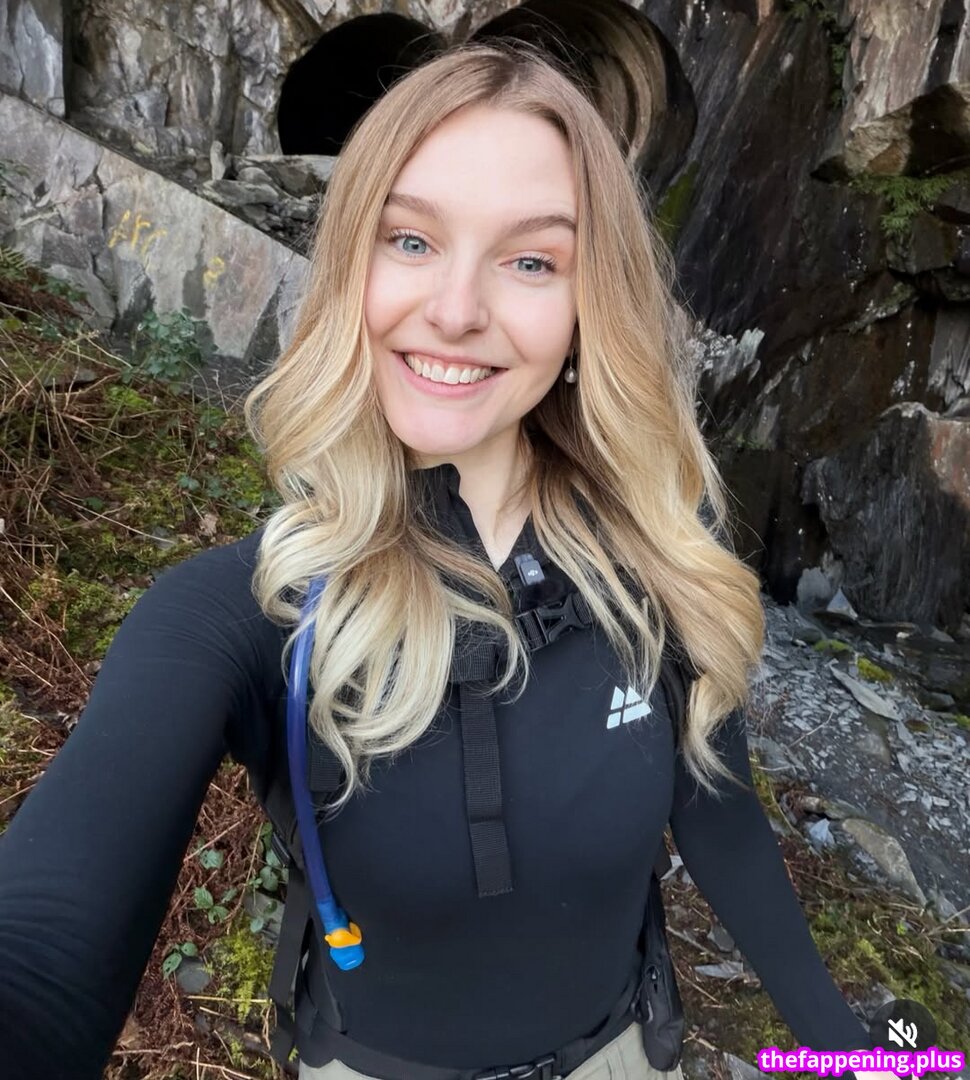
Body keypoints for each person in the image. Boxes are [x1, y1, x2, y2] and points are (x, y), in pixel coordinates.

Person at [0, 40, 889, 1080]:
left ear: (587, 308)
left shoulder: (660, 559)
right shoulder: (244, 616)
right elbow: (47, 947)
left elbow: (719, 810)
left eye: (530, 260)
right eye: (411, 239)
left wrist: (862, 1057)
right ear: (350, 266)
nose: (457, 309)